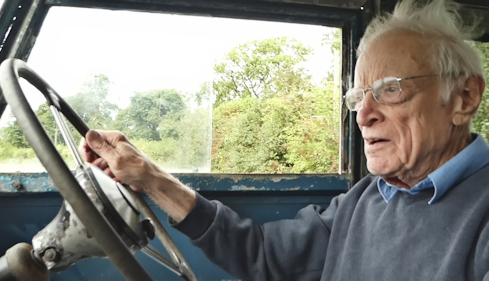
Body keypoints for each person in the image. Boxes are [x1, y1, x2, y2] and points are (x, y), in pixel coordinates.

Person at [80, 0, 489, 280]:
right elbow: (261, 253)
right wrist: (150, 177)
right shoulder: (367, 199)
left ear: (464, 98)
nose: (363, 115)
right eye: (357, 97)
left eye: (390, 89)